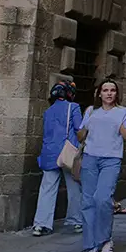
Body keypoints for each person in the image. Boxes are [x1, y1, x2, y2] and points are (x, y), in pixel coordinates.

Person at [77, 78, 126, 252]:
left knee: (102, 198)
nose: (109, 93)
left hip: (111, 159)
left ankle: (105, 241)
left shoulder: (123, 112)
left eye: (112, 90)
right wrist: (85, 127)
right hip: (90, 158)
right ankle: (91, 244)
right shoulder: (91, 111)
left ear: (116, 93)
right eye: (105, 90)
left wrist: (118, 126)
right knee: (88, 201)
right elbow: (80, 135)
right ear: (99, 93)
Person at [31, 80, 82, 236]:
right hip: (67, 153)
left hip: (49, 153)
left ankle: (41, 224)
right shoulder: (73, 108)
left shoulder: (48, 112)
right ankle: (76, 221)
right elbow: (79, 129)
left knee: (47, 188)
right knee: (74, 187)